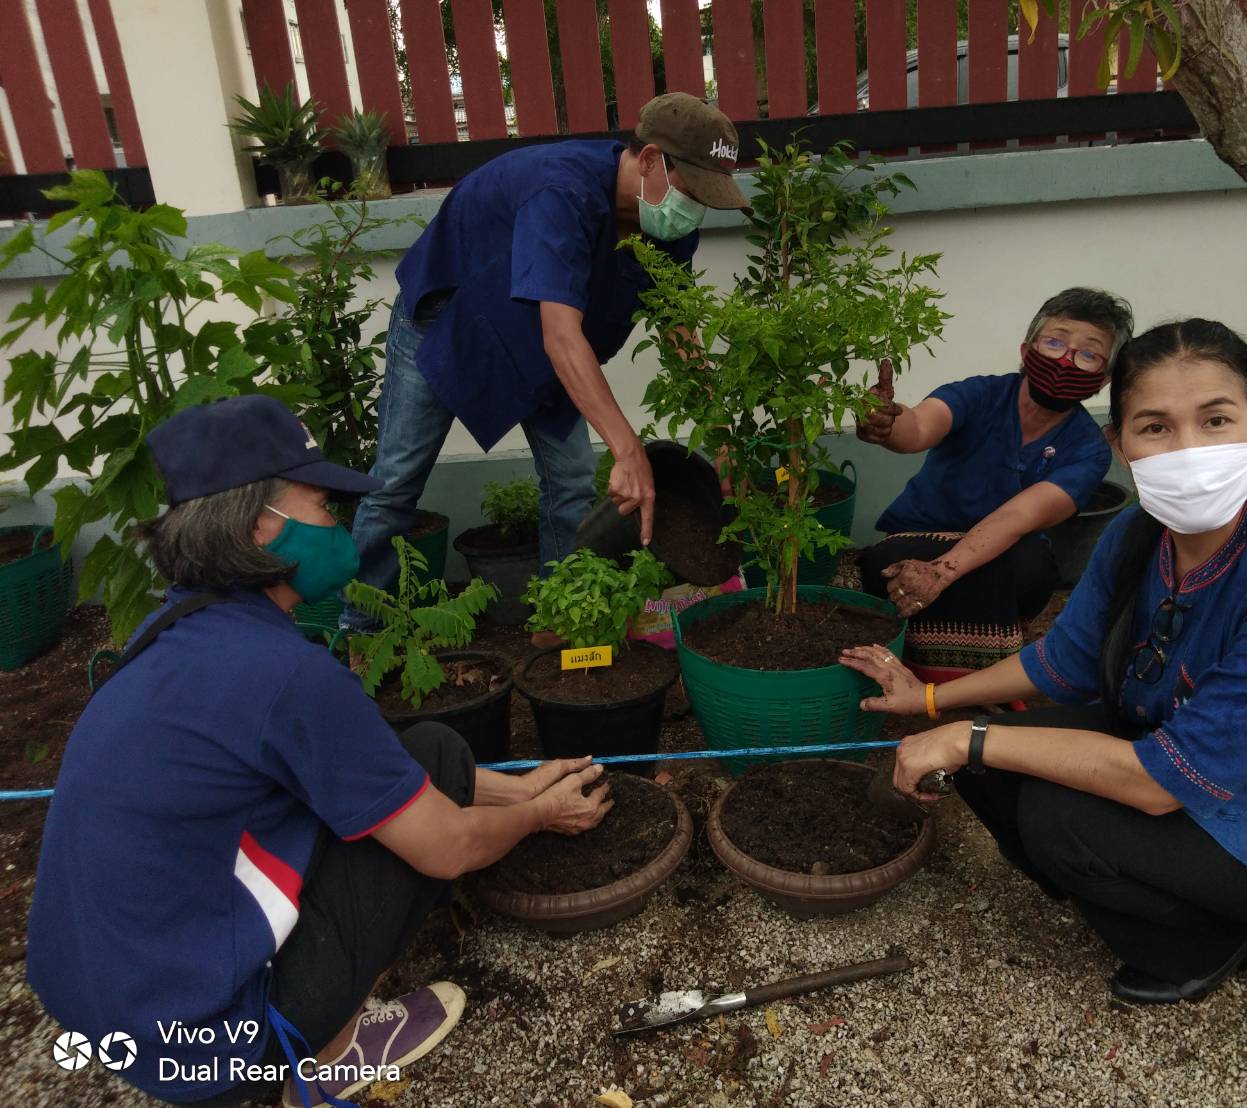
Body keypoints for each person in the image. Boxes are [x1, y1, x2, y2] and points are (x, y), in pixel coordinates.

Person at [27, 396, 612, 1107]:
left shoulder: (176, 630)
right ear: (261, 526)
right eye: (324, 504)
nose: (339, 522)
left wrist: (521, 787)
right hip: (215, 1048)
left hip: (104, 1010)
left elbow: (366, 770)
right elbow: (450, 847)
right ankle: (326, 1050)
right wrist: (540, 815)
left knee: (425, 755)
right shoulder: (284, 674)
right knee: (419, 819)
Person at [841, 320, 1247, 1004]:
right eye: (1155, 427)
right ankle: (1147, 884)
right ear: (1119, 445)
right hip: (1172, 744)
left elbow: (1161, 784)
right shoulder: (1138, 535)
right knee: (991, 769)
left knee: (1055, 813)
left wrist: (968, 734)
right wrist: (932, 705)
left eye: (1215, 419)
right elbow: (1063, 661)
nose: (1188, 450)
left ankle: (1206, 940)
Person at [344, 92, 748, 632]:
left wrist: (720, 435)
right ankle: (361, 630)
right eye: (692, 190)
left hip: (547, 342)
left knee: (573, 479)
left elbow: (679, 330)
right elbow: (561, 336)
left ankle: (559, 621)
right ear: (650, 159)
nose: (695, 209)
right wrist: (627, 450)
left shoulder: (665, 226)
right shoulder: (561, 191)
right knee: (396, 483)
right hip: (450, 323)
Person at [856, 288, 1134, 682]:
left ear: (1102, 379)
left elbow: (1019, 517)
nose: (1066, 360)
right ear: (1026, 352)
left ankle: (963, 680)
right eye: (1055, 342)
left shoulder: (1088, 449)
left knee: (1028, 568)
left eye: (1088, 353)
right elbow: (918, 427)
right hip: (916, 537)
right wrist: (886, 422)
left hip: (1001, 550)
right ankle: (946, 665)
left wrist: (942, 571)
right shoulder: (981, 394)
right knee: (888, 561)